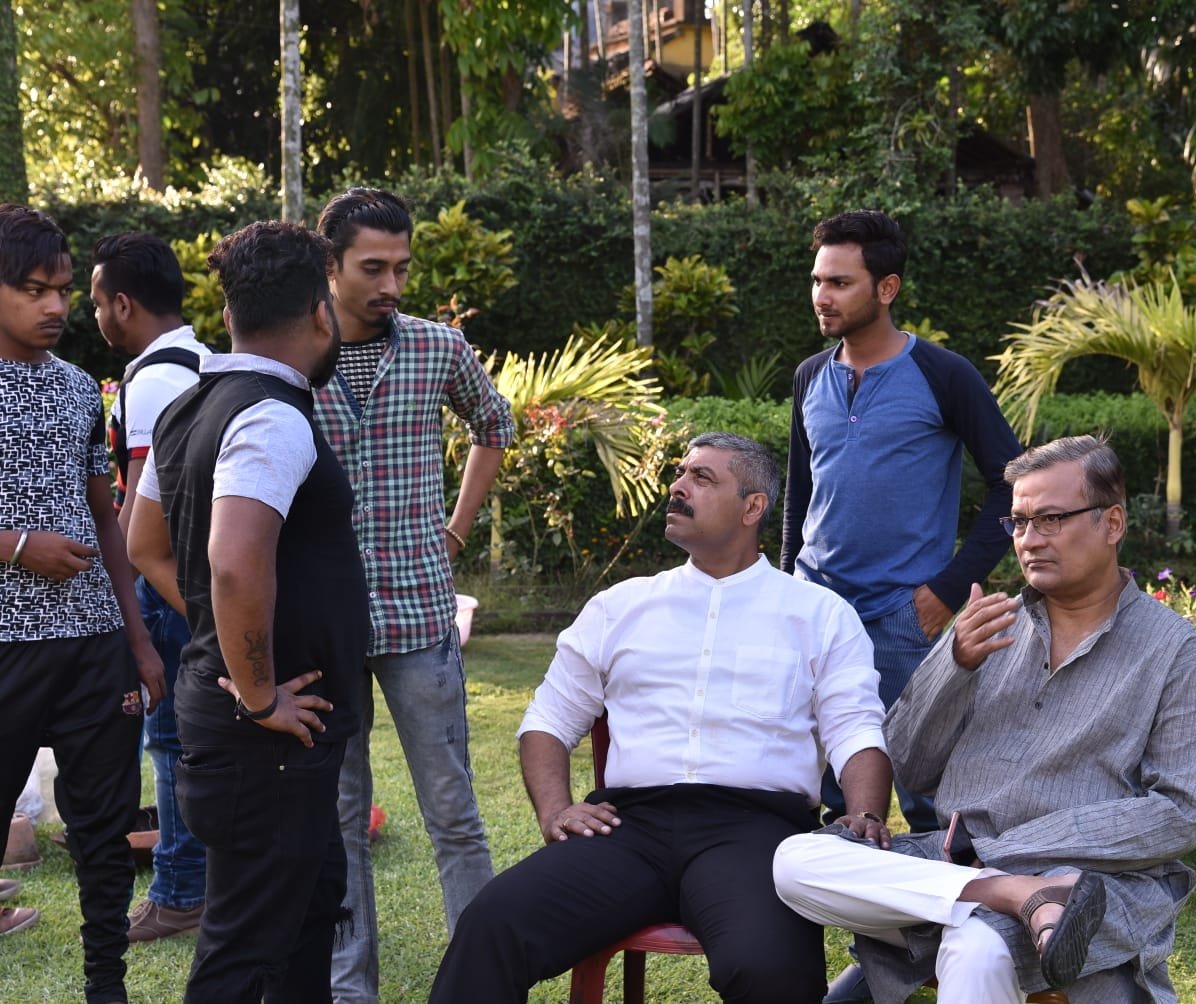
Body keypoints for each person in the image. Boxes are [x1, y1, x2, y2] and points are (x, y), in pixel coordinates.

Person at [430, 432, 892, 1004]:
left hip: (756, 835)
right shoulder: (620, 606)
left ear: (753, 507)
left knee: (770, 968)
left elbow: (856, 729)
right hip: (626, 830)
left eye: (702, 478)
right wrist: (555, 810)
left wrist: (864, 813)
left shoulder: (819, 614)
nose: (678, 486)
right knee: (492, 924)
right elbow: (547, 720)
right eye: (680, 473)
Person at [773, 435, 1196, 1004]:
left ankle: (1014, 895)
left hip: (1089, 885)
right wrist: (954, 667)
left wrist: (1007, 850)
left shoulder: (1174, 650)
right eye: (1020, 522)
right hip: (950, 864)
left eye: (1051, 519)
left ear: (1112, 523)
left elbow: (1180, 814)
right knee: (796, 861)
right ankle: (1012, 895)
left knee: (977, 945)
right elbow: (911, 766)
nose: (1029, 540)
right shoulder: (986, 625)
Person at [127, 220, 368, 1002]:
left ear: (229, 313)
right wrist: (259, 690)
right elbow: (232, 564)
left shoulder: (187, 407)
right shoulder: (272, 416)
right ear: (322, 313)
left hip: (252, 729)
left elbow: (145, 545)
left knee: (308, 911)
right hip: (264, 737)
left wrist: (224, 638)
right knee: (243, 948)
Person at [309, 188, 513, 1004]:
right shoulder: (294, 354)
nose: (391, 284)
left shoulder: (437, 347)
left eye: (401, 267)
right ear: (330, 265)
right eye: (373, 268)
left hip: (419, 613)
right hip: (323, 625)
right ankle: (348, 989)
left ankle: (481, 982)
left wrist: (454, 530)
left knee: (454, 811)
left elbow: (495, 424)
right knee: (340, 818)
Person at [781, 209, 1023, 838]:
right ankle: (832, 891)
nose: (822, 296)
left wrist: (947, 589)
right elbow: (799, 495)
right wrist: (783, 592)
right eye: (817, 280)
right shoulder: (809, 376)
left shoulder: (945, 375)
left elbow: (1012, 482)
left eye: (840, 283)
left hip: (904, 615)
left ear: (886, 288)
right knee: (820, 789)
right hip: (816, 609)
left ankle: (939, 901)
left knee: (929, 799)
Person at [0, 204, 166, 1002]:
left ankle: (108, 988)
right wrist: (17, 545)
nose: (56, 306)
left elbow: (106, 515)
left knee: (103, 834)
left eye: (63, 290)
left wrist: (137, 639)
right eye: (34, 289)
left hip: (95, 642)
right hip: (7, 645)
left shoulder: (77, 390)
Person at [92, 231, 213, 943]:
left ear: (123, 304)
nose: (93, 316)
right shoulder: (204, 360)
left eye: (95, 302)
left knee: (169, 742)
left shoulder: (151, 380)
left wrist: (122, 603)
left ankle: (178, 892)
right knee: (196, 739)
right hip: (203, 579)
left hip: (169, 586)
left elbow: (140, 510)